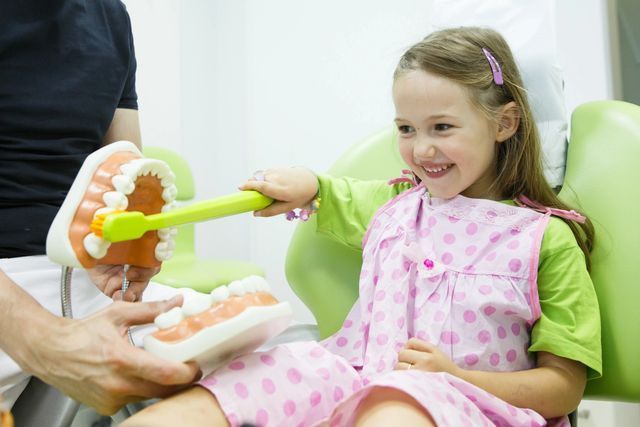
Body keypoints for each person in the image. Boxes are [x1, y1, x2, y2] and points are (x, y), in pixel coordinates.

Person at [122, 27, 601, 427]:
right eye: (407, 129)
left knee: (395, 408)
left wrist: (454, 375)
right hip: (357, 378)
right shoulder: (395, 207)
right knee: (260, 375)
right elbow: (333, 194)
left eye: (442, 127)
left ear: (505, 123)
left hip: (472, 404)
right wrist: (304, 182)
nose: (421, 150)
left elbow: (562, 389)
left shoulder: (544, 239)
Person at [0, 0, 199, 416]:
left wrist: (128, 248)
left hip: (81, 276)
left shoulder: (109, 15)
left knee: (257, 362)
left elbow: (123, 171)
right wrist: (43, 340)